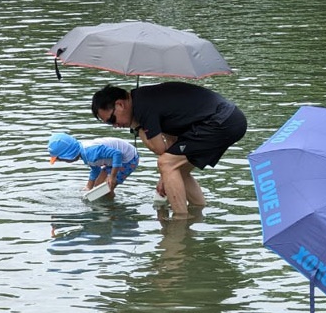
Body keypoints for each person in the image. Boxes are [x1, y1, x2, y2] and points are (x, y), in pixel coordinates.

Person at [91, 82, 247, 218]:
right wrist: (164, 177)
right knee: (178, 169)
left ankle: (180, 221)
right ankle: (198, 212)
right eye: (109, 124)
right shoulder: (144, 100)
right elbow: (172, 143)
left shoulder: (143, 106)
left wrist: (137, 127)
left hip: (222, 120)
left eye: (112, 120)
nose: (115, 126)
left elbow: (160, 150)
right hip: (229, 118)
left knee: (167, 163)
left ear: (120, 104)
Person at [48, 132, 139, 198]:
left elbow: (117, 154)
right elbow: (95, 169)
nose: (62, 161)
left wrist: (112, 176)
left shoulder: (90, 152)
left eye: (60, 159)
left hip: (128, 159)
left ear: (68, 154)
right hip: (113, 161)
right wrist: (88, 187)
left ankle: (112, 210)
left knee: (105, 189)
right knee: (98, 187)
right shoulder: (84, 153)